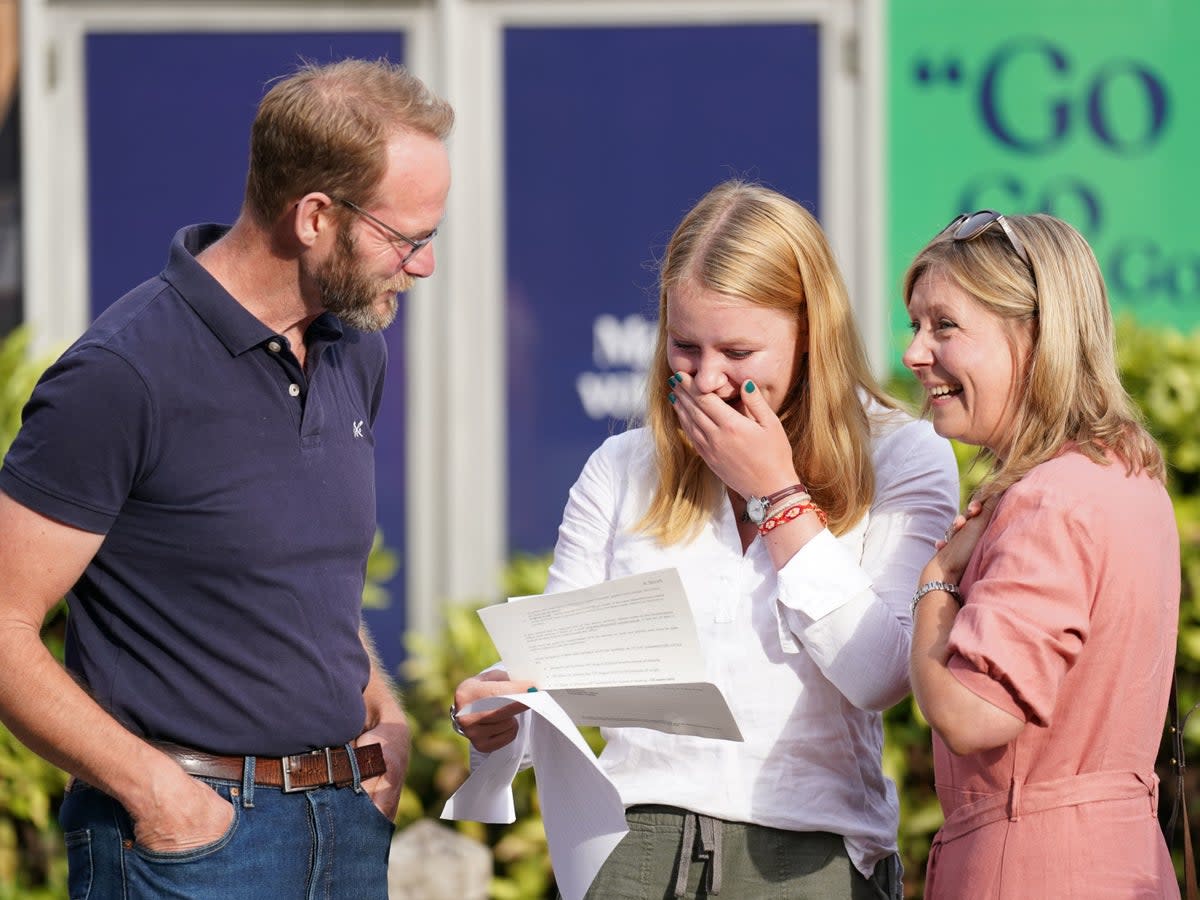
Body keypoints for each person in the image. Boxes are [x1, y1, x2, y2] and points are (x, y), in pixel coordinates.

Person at [0, 58, 452, 898]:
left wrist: (383, 715)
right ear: (315, 216)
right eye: (408, 238)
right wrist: (159, 797)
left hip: (345, 828)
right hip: (191, 848)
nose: (422, 267)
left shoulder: (356, 350)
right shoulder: (121, 375)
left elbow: (292, 585)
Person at [455, 181, 959, 899]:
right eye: (685, 348)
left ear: (810, 336)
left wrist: (781, 497)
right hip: (635, 845)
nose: (708, 379)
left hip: (808, 854)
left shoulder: (905, 456)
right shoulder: (623, 466)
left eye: (739, 350)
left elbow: (879, 675)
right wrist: (504, 719)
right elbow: (557, 684)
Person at [903, 210, 1180, 898]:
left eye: (944, 325)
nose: (914, 351)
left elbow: (972, 713)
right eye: (914, 325)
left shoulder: (1047, 500)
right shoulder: (1127, 477)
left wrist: (935, 582)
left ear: (1034, 337)